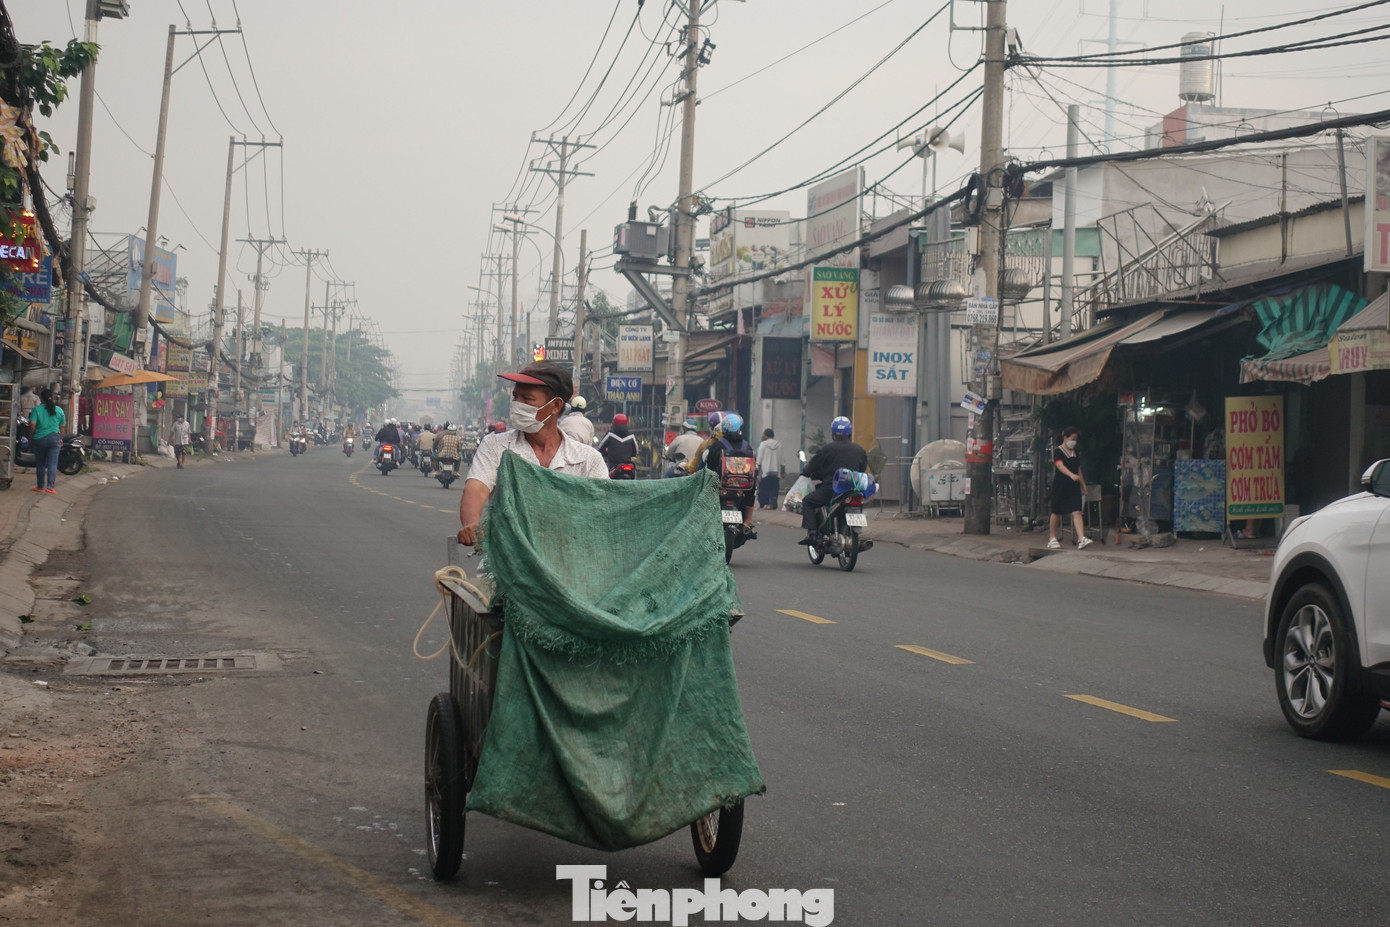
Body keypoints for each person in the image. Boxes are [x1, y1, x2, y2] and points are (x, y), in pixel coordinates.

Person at [458, 361, 608, 547]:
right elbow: (476, 489)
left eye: (527, 399)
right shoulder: (495, 445)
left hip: (567, 569)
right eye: (515, 397)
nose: (517, 404)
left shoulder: (588, 460)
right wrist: (472, 524)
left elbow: (603, 512)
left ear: (555, 406)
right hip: (504, 568)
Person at [797, 416, 868, 545]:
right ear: (850, 433)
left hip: (832, 489)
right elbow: (862, 469)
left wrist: (806, 472)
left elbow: (812, 465)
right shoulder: (860, 450)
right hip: (854, 490)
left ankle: (812, 533)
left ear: (833, 433)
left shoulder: (827, 449)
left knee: (808, 501)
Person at [704, 412, 757, 533]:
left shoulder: (717, 446)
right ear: (739, 429)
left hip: (721, 486)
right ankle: (747, 522)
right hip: (743, 487)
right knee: (752, 490)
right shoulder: (747, 447)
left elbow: (710, 468)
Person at [1049, 425, 1093, 550]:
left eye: (1075, 439)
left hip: (1073, 486)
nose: (1074, 442)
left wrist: (1083, 485)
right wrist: (1070, 475)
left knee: (1077, 511)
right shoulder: (1058, 451)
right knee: (1056, 512)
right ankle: (1052, 537)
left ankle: (1081, 538)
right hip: (1061, 485)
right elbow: (1059, 466)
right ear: (1065, 437)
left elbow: (1078, 469)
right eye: (1072, 439)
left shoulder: (1075, 453)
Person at [28, 387, 66, 495]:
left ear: (41, 399)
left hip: (39, 439)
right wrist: (61, 438)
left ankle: (40, 486)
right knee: (52, 464)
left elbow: (32, 424)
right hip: (55, 438)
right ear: (52, 398)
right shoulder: (59, 410)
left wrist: (31, 435)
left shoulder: (37, 409)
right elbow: (62, 426)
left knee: (40, 464)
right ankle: (50, 487)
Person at [683, 409, 725, 474]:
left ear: (711, 427)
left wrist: (686, 466)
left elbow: (695, 465)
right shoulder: (741, 444)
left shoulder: (707, 445)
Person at [754, 428, 785, 509]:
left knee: (764, 489)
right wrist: (782, 471)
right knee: (774, 488)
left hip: (765, 472)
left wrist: (757, 472)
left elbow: (759, 459)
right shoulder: (779, 445)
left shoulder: (763, 445)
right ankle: (773, 499)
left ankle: (765, 504)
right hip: (776, 472)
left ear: (765, 435)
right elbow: (783, 460)